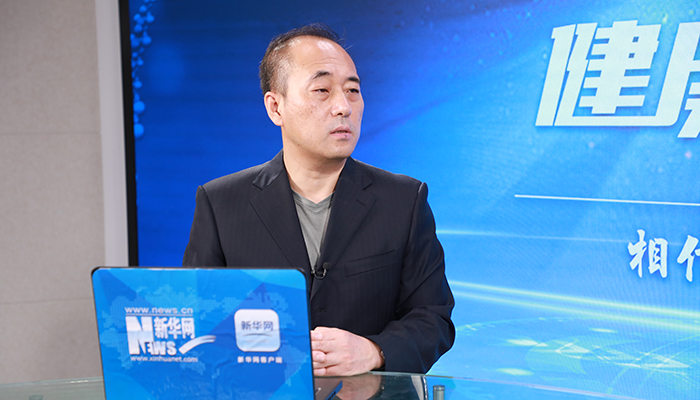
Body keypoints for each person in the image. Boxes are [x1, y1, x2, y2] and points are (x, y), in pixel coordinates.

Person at [183, 23, 455, 376]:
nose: (343, 107)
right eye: (322, 90)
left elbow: (433, 318)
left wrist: (375, 351)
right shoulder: (220, 203)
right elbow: (199, 323)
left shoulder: (404, 200)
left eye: (352, 90)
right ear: (275, 107)